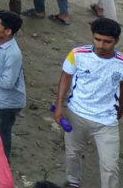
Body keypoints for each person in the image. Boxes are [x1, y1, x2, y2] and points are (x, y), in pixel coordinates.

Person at [54, 18, 123, 188]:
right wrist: (60, 106)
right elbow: (65, 78)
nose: (101, 45)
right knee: (72, 154)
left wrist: (121, 110)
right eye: (97, 39)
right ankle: (73, 182)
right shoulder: (77, 54)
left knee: (110, 166)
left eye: (107, 42)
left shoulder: (121, 62)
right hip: (76, 114)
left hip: (106, 121)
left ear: (116, 41)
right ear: (92, 36)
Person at [0, 10, 26, 161]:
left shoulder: (13, 54)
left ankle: (2, 163)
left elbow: (8, 83)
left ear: (8, 31)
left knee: (2, 135)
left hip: (8, 103)